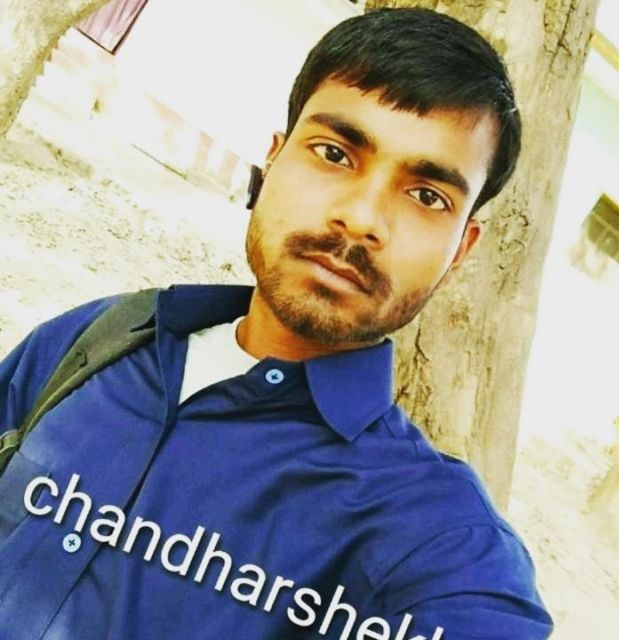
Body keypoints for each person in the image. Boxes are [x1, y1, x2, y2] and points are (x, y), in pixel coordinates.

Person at [0, 7, 553, 640]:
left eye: (427, 196)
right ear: (272, 161)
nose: (362, 218)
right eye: (334, 153)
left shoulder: (435, 539)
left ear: (459, 252)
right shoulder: (97, 339)